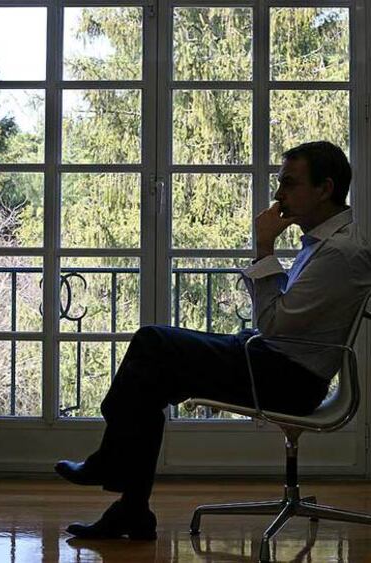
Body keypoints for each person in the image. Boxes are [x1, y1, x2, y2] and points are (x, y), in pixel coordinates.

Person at [55, 140, 371, 540]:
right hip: (272, 362)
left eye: (289, 184)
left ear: (324, 189)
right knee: (148, 376)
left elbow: (273, 321)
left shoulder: (339, 253)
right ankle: (130, 507)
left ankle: (111, 469)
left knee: (151, 342)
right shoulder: (326, 245)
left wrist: (263, 247)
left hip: (285, 379)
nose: (278, 195)